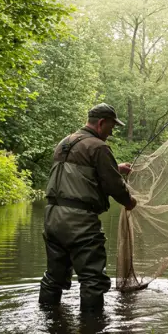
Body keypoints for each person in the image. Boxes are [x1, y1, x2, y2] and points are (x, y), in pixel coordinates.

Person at [39, 103, 137, 310]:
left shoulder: (65, 142)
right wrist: (129, 202)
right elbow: (113, 186)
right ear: (101, 123)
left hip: (52, 218)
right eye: (111, 127)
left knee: (53, 277)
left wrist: (115, 168)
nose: (111, 132)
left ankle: (47, 321)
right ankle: (93, 332)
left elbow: (78, 174)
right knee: (92, 280)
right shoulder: (98, 147)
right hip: (79, 222)